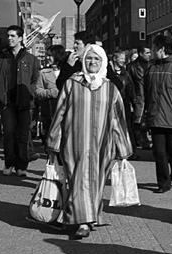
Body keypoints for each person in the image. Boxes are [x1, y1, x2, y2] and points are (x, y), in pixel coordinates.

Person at [46, 44, 133, 239]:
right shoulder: (72, 84)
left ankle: (91, 215)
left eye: (96, 59)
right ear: (82, 61)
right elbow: (59, 112)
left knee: (96, 181)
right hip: (74, 142)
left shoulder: (110, 88)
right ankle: (83, 221)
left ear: (103, 63)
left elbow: (118, 118)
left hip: (103, 145)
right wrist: (53, 141)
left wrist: (123, 148)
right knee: (79, 179)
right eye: (88, 59)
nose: (92, 62)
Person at [0, 25, 41, 177]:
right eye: (8, 36)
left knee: (23, 135)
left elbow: (35, 79)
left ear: (20, 38)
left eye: (13, 36)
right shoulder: (1, 58)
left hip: (25, 102)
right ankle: (9, 163)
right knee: (9, 134)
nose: (9, 38)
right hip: (7, 102)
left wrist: (30, 93)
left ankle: (21, 166)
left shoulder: (31, 59)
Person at [145, 35, 172, 193]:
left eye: (153, 48)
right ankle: (163, 183)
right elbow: (146, 92)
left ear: (161, 49)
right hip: (155, 117)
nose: (151, 51)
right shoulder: (151, 67)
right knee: (159, 152)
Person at [107, 50, 138, 159]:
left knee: (127, 128)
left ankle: (130, 151)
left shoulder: (126, 73)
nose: (123, 60)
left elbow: (131, 89)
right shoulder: (109, 73)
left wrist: (134, 103)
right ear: (114, 59)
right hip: (112, 104)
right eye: (121, 58)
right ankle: (115, 151)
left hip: (124, 104)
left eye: (124, 58)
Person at [34, 45, 62, 149]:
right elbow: (37, 90)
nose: (48, 58)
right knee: (50, 138)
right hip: (49, 109)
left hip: (65, 109)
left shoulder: (67, 71)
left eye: (50, 55)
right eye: (47, 55)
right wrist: (51, 92)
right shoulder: (43, 73)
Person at [126, 46, 152, 150]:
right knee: (138, 120)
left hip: (150, 96)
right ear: (141, 53)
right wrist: (132, 97)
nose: (149, 54)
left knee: (147, 119)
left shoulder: (152, 65)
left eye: (150, 52)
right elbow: (129, 83)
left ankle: (144, 139)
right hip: (138, 96)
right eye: (147, 53)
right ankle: (139, 140)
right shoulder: (132, 66)